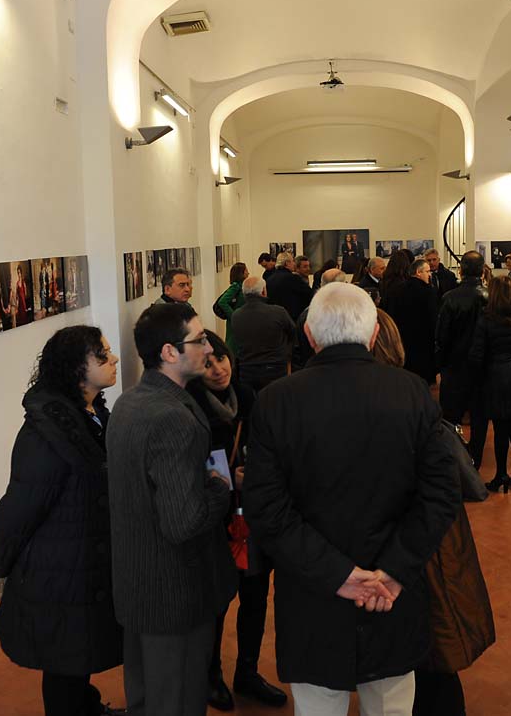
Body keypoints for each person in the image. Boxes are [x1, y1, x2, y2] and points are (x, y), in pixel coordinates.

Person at [243, 282, 460, 715]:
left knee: (319, 705)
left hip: (313, 597)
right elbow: (441, 493)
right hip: (391, 594)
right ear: (375, 332)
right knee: (392, 705)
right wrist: (394, 573)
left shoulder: (275, 401)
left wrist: (339, 575)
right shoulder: (413, 392)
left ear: (309, 336)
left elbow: (266, 508)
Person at [0, 326, 125, 716]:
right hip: (58, 570)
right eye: (102, 355)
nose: (113, 359)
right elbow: (22, 505)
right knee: (65, 662)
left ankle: (88, 706)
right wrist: (1, 560)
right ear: (76, 369)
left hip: (81, 563)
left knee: (76, 655)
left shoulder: (91, 415)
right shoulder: (46, 434)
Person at [106, 303, 236, 716]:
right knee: (177, 700)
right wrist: (220, 488)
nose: (207, 350)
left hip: (139, 584)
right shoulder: (172, 418)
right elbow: (183, 521)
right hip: (175, 592)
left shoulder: (128, 403)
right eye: (198, 341)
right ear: (169, 352)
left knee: (148, 697)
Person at [370, 310, 493, 716]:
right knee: (432, 652)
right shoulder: (411, 396)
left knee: (426, 651)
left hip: (414, 547)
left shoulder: (397, 404)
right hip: (428, 543)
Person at [188, 330, 288, 711]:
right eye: (207, 363)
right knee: (216, 601)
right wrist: (231, 480)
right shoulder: (190, 405)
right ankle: (210, 675)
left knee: (256, 596)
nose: (218, 370)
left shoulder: (247, 397)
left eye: (222, 359)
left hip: (252, 516)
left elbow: (269, 447)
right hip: (214, 517)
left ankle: (246, 672)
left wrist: (257, 474)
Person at [468, 276, 511, 492]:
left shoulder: (486, 319)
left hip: (495, 380)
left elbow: (476, 356)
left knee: (500, 427)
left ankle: (501, 475)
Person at [436, 251, 489, 468]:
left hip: (455, 365)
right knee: (480, 415)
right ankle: (476, 457)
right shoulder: (490, 296)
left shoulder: (450, 298)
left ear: (461, 270)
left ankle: (454, 457)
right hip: (483, 366)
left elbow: (441, 336)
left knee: (450, 415)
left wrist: (440, 366)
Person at [230, 276, 296, 393]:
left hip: (247, 370)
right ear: (263, 292)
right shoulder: (278, 312)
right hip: (275, 369)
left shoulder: (236, 316)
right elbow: (292, 332)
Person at [380, 258, 438, 384]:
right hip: (423, 343)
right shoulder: (428, 292)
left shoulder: (397, 290)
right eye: (427, 272)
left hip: (403, 340)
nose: (430, 275)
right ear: (418, 272)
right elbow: (433, 319)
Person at [292, 268, 345, 371]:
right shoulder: (348, 313)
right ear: (341, 286)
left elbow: (298, 349)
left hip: (311, 369)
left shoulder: (308, 313)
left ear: (321, 284)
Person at [212, 262, 249, 354]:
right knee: (232, 342)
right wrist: (233, 315)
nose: (248, 273)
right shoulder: (236, 286)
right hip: (235, 320)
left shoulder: (242, 286)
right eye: (246, 271)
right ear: (242, 273)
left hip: (240, 319)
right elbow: (222, 302)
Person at [265, 252, 312, 321]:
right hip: (291, 318)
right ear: (287, 263)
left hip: (274, 318)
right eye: (292, 261)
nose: (294, 264)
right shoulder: (293, 278)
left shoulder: (269, 279)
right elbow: (309, 294)